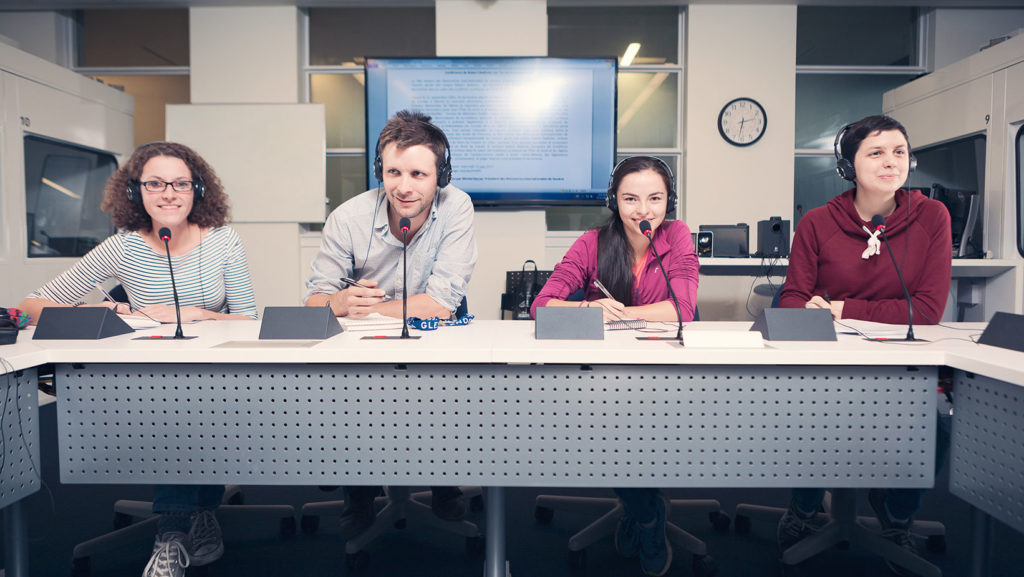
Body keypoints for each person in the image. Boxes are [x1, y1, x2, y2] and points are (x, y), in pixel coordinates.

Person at [19, 141, 258, 577]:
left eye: (180, 183)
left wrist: (194, 313)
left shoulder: (223, 241)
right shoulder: (125, 247)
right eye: (154, 183)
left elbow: (247, 317)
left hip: (217, 374)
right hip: (150, 380)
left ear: (197, 189)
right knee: (179, 409)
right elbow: (32, 304)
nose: (168, 193)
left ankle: (174, 526)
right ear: (136, 192)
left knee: (193, 407)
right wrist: (98, 310)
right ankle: (187, 522)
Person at [776, 115, 952, 573]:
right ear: (848, 166)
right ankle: (806, 504)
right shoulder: (818, 222)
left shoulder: (932, 216)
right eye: (875, 153)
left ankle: (896, 515)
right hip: (830, 360)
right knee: (805, 410)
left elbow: (926, 310)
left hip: (904, 362)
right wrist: (810, 311)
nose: (891, 162)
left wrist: (840, 309)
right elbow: (793, 297)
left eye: (899, 151)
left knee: (934, 421)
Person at [304, 110, 477, 537]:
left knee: (444, 389)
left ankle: (443, 482)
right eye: (393, 171)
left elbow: (439, 303)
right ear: (379, 169)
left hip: (431, 335)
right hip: (361, 343)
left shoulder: (457, 206)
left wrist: (366, 307)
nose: (403, 186)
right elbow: (313, 303)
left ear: (441, 174)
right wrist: (340, 300)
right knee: (352, 393)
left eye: (418, 173)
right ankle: (358, 492)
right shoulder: (348, 217)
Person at [530, 156, 699, 577]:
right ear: (614, 201)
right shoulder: (592, 242)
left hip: (662, 373)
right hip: (601, 375)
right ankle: (646, 513)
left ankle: (640, 510)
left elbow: (683, 310)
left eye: (655, 198)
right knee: (611, 432)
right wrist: (588, 306)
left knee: (635, 432)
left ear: (669, 201)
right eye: (631, 199)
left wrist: (621, 313)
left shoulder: (677, 236)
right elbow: (541, 305)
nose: (644, 210)